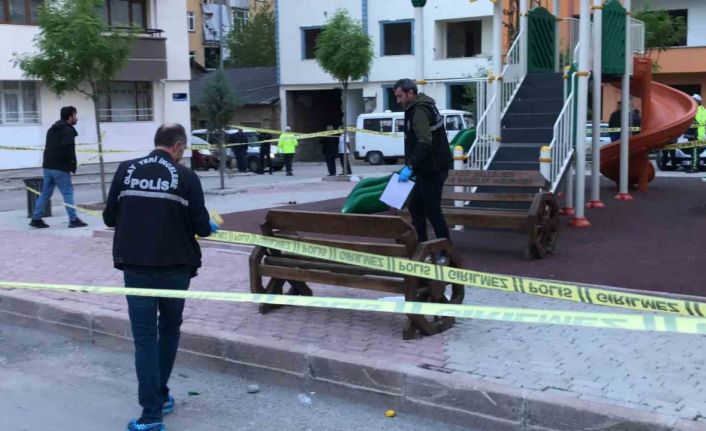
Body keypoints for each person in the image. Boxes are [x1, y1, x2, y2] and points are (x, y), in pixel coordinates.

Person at [103, 123, 216, 431]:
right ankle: (160, 397)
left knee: (144, 338)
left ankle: (151, 413)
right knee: (168, 329)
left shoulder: (125, 170)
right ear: (177, 146)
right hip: (176, 267)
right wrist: (206, 223)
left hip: (136, 265)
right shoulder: (187, 177)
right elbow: (202, 228)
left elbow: (110, 217)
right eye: (183, 149)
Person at [393, 78, 452, 263]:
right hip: (429, 167)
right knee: (415, 207)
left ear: (410, 93)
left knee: (432, 210)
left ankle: (447, 251)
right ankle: (422, 245)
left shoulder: (419, 111)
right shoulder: (424, 106)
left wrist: (410, 166)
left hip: (432, 169)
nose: (398, 101)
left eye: (400, 96)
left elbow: (425, 142)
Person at [29, 106, 87, 229]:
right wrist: (70, 164)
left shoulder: (52, 129)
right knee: (68, 193)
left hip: (48, 166)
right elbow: (67, 149)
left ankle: (36, 218)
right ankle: (73, 219)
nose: (76, 118)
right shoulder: (68, 131)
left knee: (45, 193)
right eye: (75, 115)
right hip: (60, 167)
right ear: (70, 117)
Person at [687, 94, 706, 174]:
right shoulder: (695, 109)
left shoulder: (698, 110)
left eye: (694, 99)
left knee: (694, 151)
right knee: (693, 152)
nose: (692, 100)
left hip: (697, 134)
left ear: (698, 101)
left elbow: (698, 122)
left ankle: (694, 168)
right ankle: (694, 166)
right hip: (693, 134)